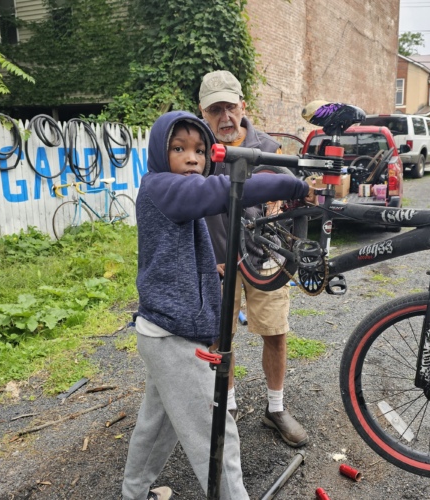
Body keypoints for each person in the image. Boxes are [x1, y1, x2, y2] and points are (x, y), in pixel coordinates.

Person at [121, 110, 314, 500]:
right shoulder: (160, 186)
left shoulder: (173, 194)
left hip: (162, 330)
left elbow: (173, 254)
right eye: (179, 149)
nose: (192, 158)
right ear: (161, 154)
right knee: (216, 431)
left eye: (199, 150)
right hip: (174, 337)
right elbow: (223, 190)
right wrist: (293, 185)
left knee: (156, 426)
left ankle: (135, 492)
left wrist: (213, 272)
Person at [199, 70, 309, 448]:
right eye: (216, 110)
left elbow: (295, 195)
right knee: (219, 339)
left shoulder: (266, 147)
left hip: (265, 259)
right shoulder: (198, 150)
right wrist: (204, 257)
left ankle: (275, 408)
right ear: (203, 113)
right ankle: (226, 407)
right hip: (217, 263)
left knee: (275, 333)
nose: (225, 117)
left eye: (230, 106)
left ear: (242, 105)